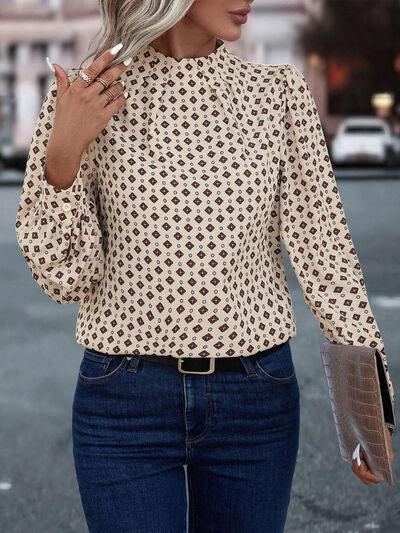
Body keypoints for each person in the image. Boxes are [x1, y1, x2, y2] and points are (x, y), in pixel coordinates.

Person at [15, 1, 395, 532]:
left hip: (255, 398)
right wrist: (65, 149)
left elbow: (327, 254)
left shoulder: (278, 96)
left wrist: (369, 410)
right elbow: (65, 276)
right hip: (125, 403)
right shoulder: (85, 97)